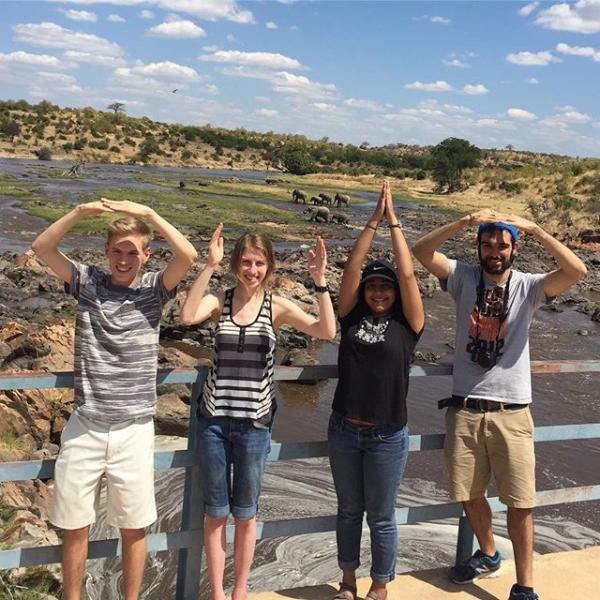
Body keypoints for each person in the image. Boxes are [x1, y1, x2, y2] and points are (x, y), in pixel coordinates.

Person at [412, 209, 587, 600]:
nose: (494, 251)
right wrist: (461, 221)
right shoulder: (463, 279)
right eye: (487, 244)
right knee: (469, 494)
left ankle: (524, 585)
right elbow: (421, 250)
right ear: (478, 246)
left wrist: (537, 228)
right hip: (465, 408)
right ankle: (489, 554)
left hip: (512, 412)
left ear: (514, 248)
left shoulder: (530, 286)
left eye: (502, 245)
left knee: (521, 503)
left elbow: (576, 271)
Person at [31, 198, 197, 600]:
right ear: (106, 252)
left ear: (146, 255)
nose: (124, 260)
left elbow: (189, 255)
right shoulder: (88, 283)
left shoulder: (155, 290)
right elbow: (42, 248)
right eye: (117, 251)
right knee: (74, 525)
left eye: (132, 252)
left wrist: (149, 214)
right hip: (86, 424)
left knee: (134, 527)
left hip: (134, 429)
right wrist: (81, 212)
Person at [180, 225, 336, 600]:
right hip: (214, 421)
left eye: (260, 263)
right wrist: (208, 266)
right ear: (236, 263)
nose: (253, 270)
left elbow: (327, 331)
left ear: (269, 266)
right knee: (216, 513)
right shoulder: (221, 301)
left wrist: (320, 281)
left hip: (254, 426)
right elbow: (187, 316)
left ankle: (240, 591)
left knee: (246, 515)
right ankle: (218, 592)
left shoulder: (276, 307)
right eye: (246, 262)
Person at [328, 181, 425, 600]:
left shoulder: (409, 325)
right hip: (345, 430)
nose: (380, 292)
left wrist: (395, 222)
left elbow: (407, 272)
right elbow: (351, 269)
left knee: (381, 517)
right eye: (373, 287)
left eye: (386, 287)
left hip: (387, 435)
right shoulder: (349, 317)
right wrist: (372, 221)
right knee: (349, 512)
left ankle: (380, 584)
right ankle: (347, 582)